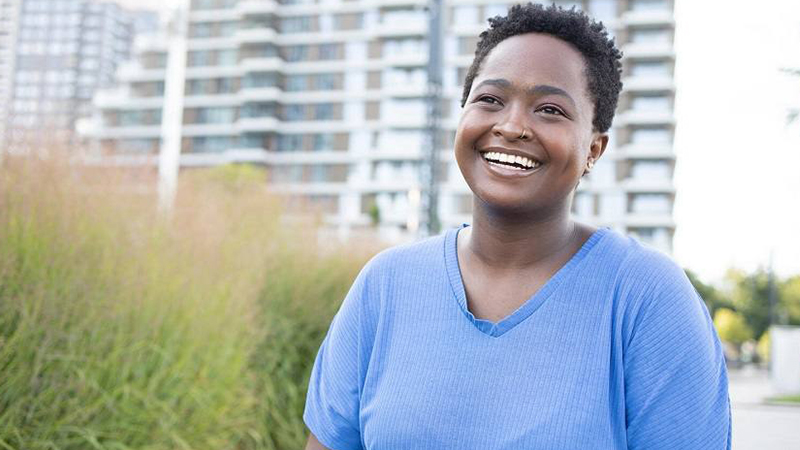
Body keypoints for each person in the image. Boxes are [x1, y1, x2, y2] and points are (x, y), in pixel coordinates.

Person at [303, 4, 731, 449]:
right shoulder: (385, 284)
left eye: (549, 109)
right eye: (490, 100)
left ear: (594, 149)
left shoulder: (647, 298)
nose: (511, 126)